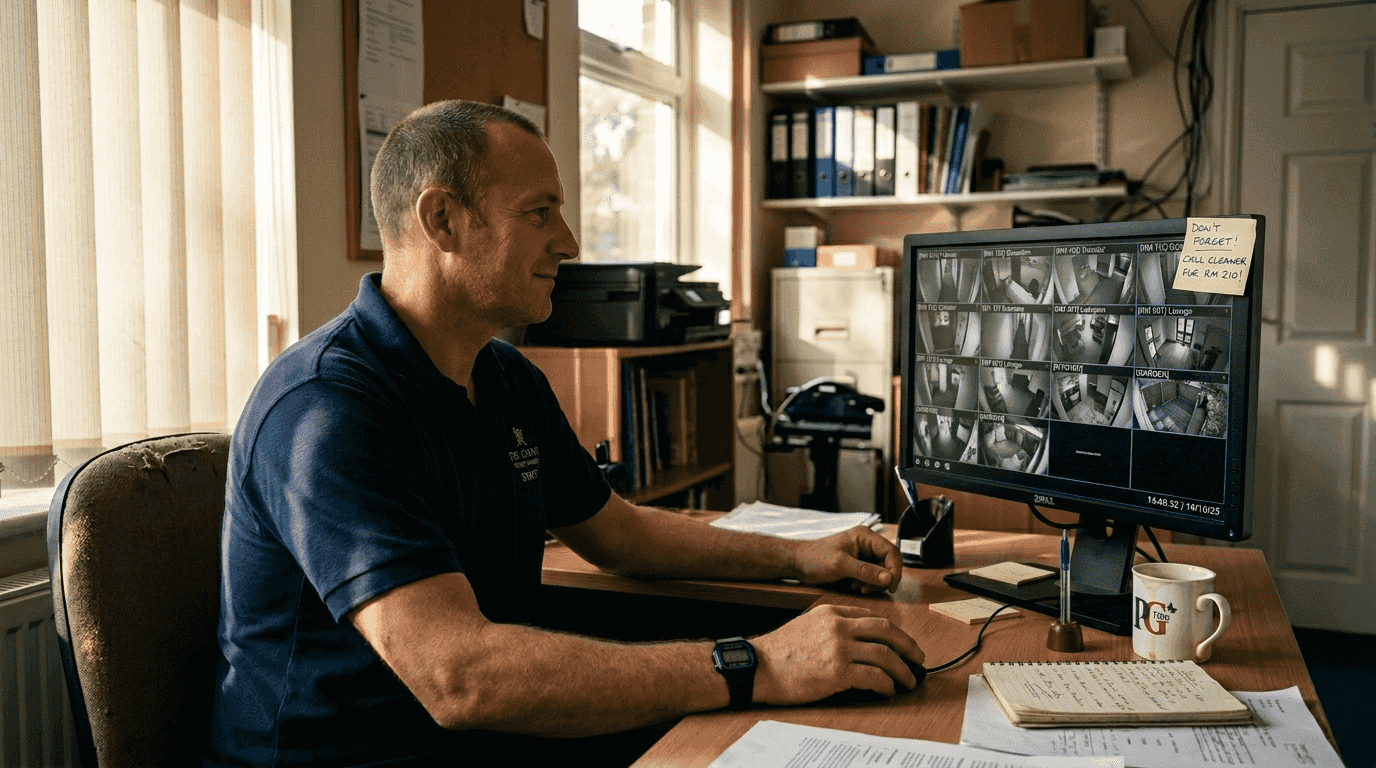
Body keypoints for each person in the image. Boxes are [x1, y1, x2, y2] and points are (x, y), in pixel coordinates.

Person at [207, 99, 924, 767]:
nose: (570, 242)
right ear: (442, 220)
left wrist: (800, 558)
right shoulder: (327, 409)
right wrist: (757, 663)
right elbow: (459, 677)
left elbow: (620, 534)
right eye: (539, 212)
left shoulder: (505, 378)